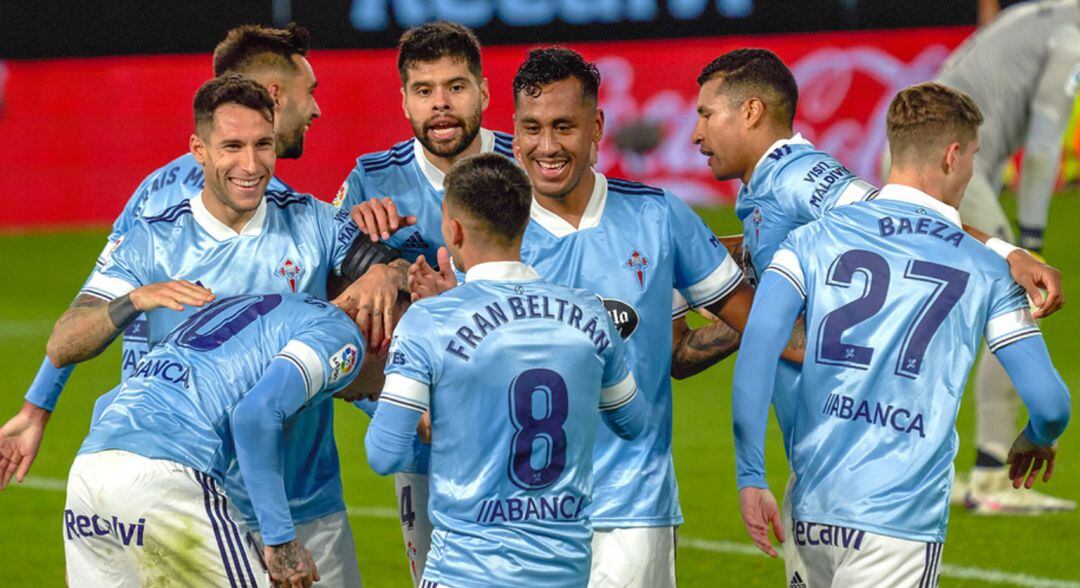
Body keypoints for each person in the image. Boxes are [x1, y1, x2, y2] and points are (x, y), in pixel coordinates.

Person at [1, 75, 380, 586]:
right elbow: (65, 341)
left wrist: (389, 270)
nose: (250, 165)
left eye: (262, 145)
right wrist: (134, 299)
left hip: (304, 498)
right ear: (198, 150)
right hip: (193, 492)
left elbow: (388, 299)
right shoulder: (153, 238)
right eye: (232, 147)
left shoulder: (314, 221)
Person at [733, 82, 1070, 586]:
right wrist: (1035, 437)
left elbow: (757, 352)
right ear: (953, 156)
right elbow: (1050, 403)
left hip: (812, 508)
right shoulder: (987, 269)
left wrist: (751, 475)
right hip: (899, 521)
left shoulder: (809, 239)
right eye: (975, 157)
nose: (975, 171)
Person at [366, 153, 647, 587]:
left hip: (464, 572)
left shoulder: (430, 321)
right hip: (564, 573)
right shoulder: (590, 313)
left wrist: (439, 425)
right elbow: (633, 423)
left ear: (453, 230)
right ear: (525, 222)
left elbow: (383, 453)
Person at [334, 21, 516, 584]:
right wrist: (405, 409)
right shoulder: (370, 183)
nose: (440, 104)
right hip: (423, 446)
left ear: (483, 92)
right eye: (424, 89)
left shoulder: (528, 167)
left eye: (456, 87)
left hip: (525, 427)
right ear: (405, 100)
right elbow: (335, 320)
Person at [65, 292, 369, 587]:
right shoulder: (338, 329)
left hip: (89, 472)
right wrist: (281, 542)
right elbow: (254, 416)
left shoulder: (251, 316)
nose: (373, 397)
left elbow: (106, 404)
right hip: (169, 476)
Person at [918, 0, 1080, 512]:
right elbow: (1040, 149)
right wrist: (1029, 245)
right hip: (947, 161)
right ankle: (990, 476)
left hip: (915, 153)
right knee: (1013, 290)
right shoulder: (1072, 36)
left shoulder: (1043, 14)